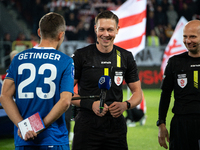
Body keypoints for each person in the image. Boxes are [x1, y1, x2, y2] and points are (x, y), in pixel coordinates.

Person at [0, 12, 74, 150]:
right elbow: (65, 101)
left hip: (24, 139)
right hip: (54, 138)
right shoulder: (65, 61)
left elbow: (4, 96)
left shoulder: (18, 58)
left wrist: (24, 127)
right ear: (61, 35)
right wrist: (37, 126)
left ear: (39, 32)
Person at [71, 10, 142, 150]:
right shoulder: (81, 55)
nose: (106, 34)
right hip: (86, 125)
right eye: (102, 29)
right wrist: (90, 104)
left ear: (117, 30)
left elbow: (137, 93)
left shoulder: (126, 57)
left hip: (116, 127)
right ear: (95, 29)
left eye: (110, 29)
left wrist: (125, 105)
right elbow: (66, 93)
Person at [157, 20, 200, 150]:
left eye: (193, 36)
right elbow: (165, 94)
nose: (188, 41)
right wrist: (161, 123)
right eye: (185, 36)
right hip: (181, 124)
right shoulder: (175, 62)